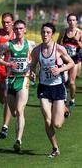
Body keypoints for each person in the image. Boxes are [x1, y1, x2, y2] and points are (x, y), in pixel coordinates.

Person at [30, 22, 74, 157]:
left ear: (52, 34)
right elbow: (33, 64)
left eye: (48, 32)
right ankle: (55, 149)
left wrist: (59, 69)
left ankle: (65, 109)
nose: (45, 35)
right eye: (43, 32)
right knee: (47, 120)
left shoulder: (59, 49)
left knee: (57, 124)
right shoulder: (36, 50)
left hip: (58, 88)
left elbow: (71, 63)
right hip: (44, 87)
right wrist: (32, 71)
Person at [0, 19, 36, 152]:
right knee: (13, 112)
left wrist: (33, 70)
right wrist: (6, 64)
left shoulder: (30, 44)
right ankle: (16, 133)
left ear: (25, 30)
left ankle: (18, 140)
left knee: (19, 110)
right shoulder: (8, 45)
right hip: (10, 80)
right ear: (15, 30)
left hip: (23, 79)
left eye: (21, 28)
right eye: (16, 28)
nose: (18, 31)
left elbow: (36, 58)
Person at [57, 13, 82, 108]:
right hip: (65, 59)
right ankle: (63, 98)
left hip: (75, 59)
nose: (72, 22)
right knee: (63, 80)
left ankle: (72, 99)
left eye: (73, 20)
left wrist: (77, 41)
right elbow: (58, 43)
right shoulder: (63, 31)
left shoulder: (79, 33)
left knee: (71, 82)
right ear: (67, 21)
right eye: (70, 20)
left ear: (76, 21)